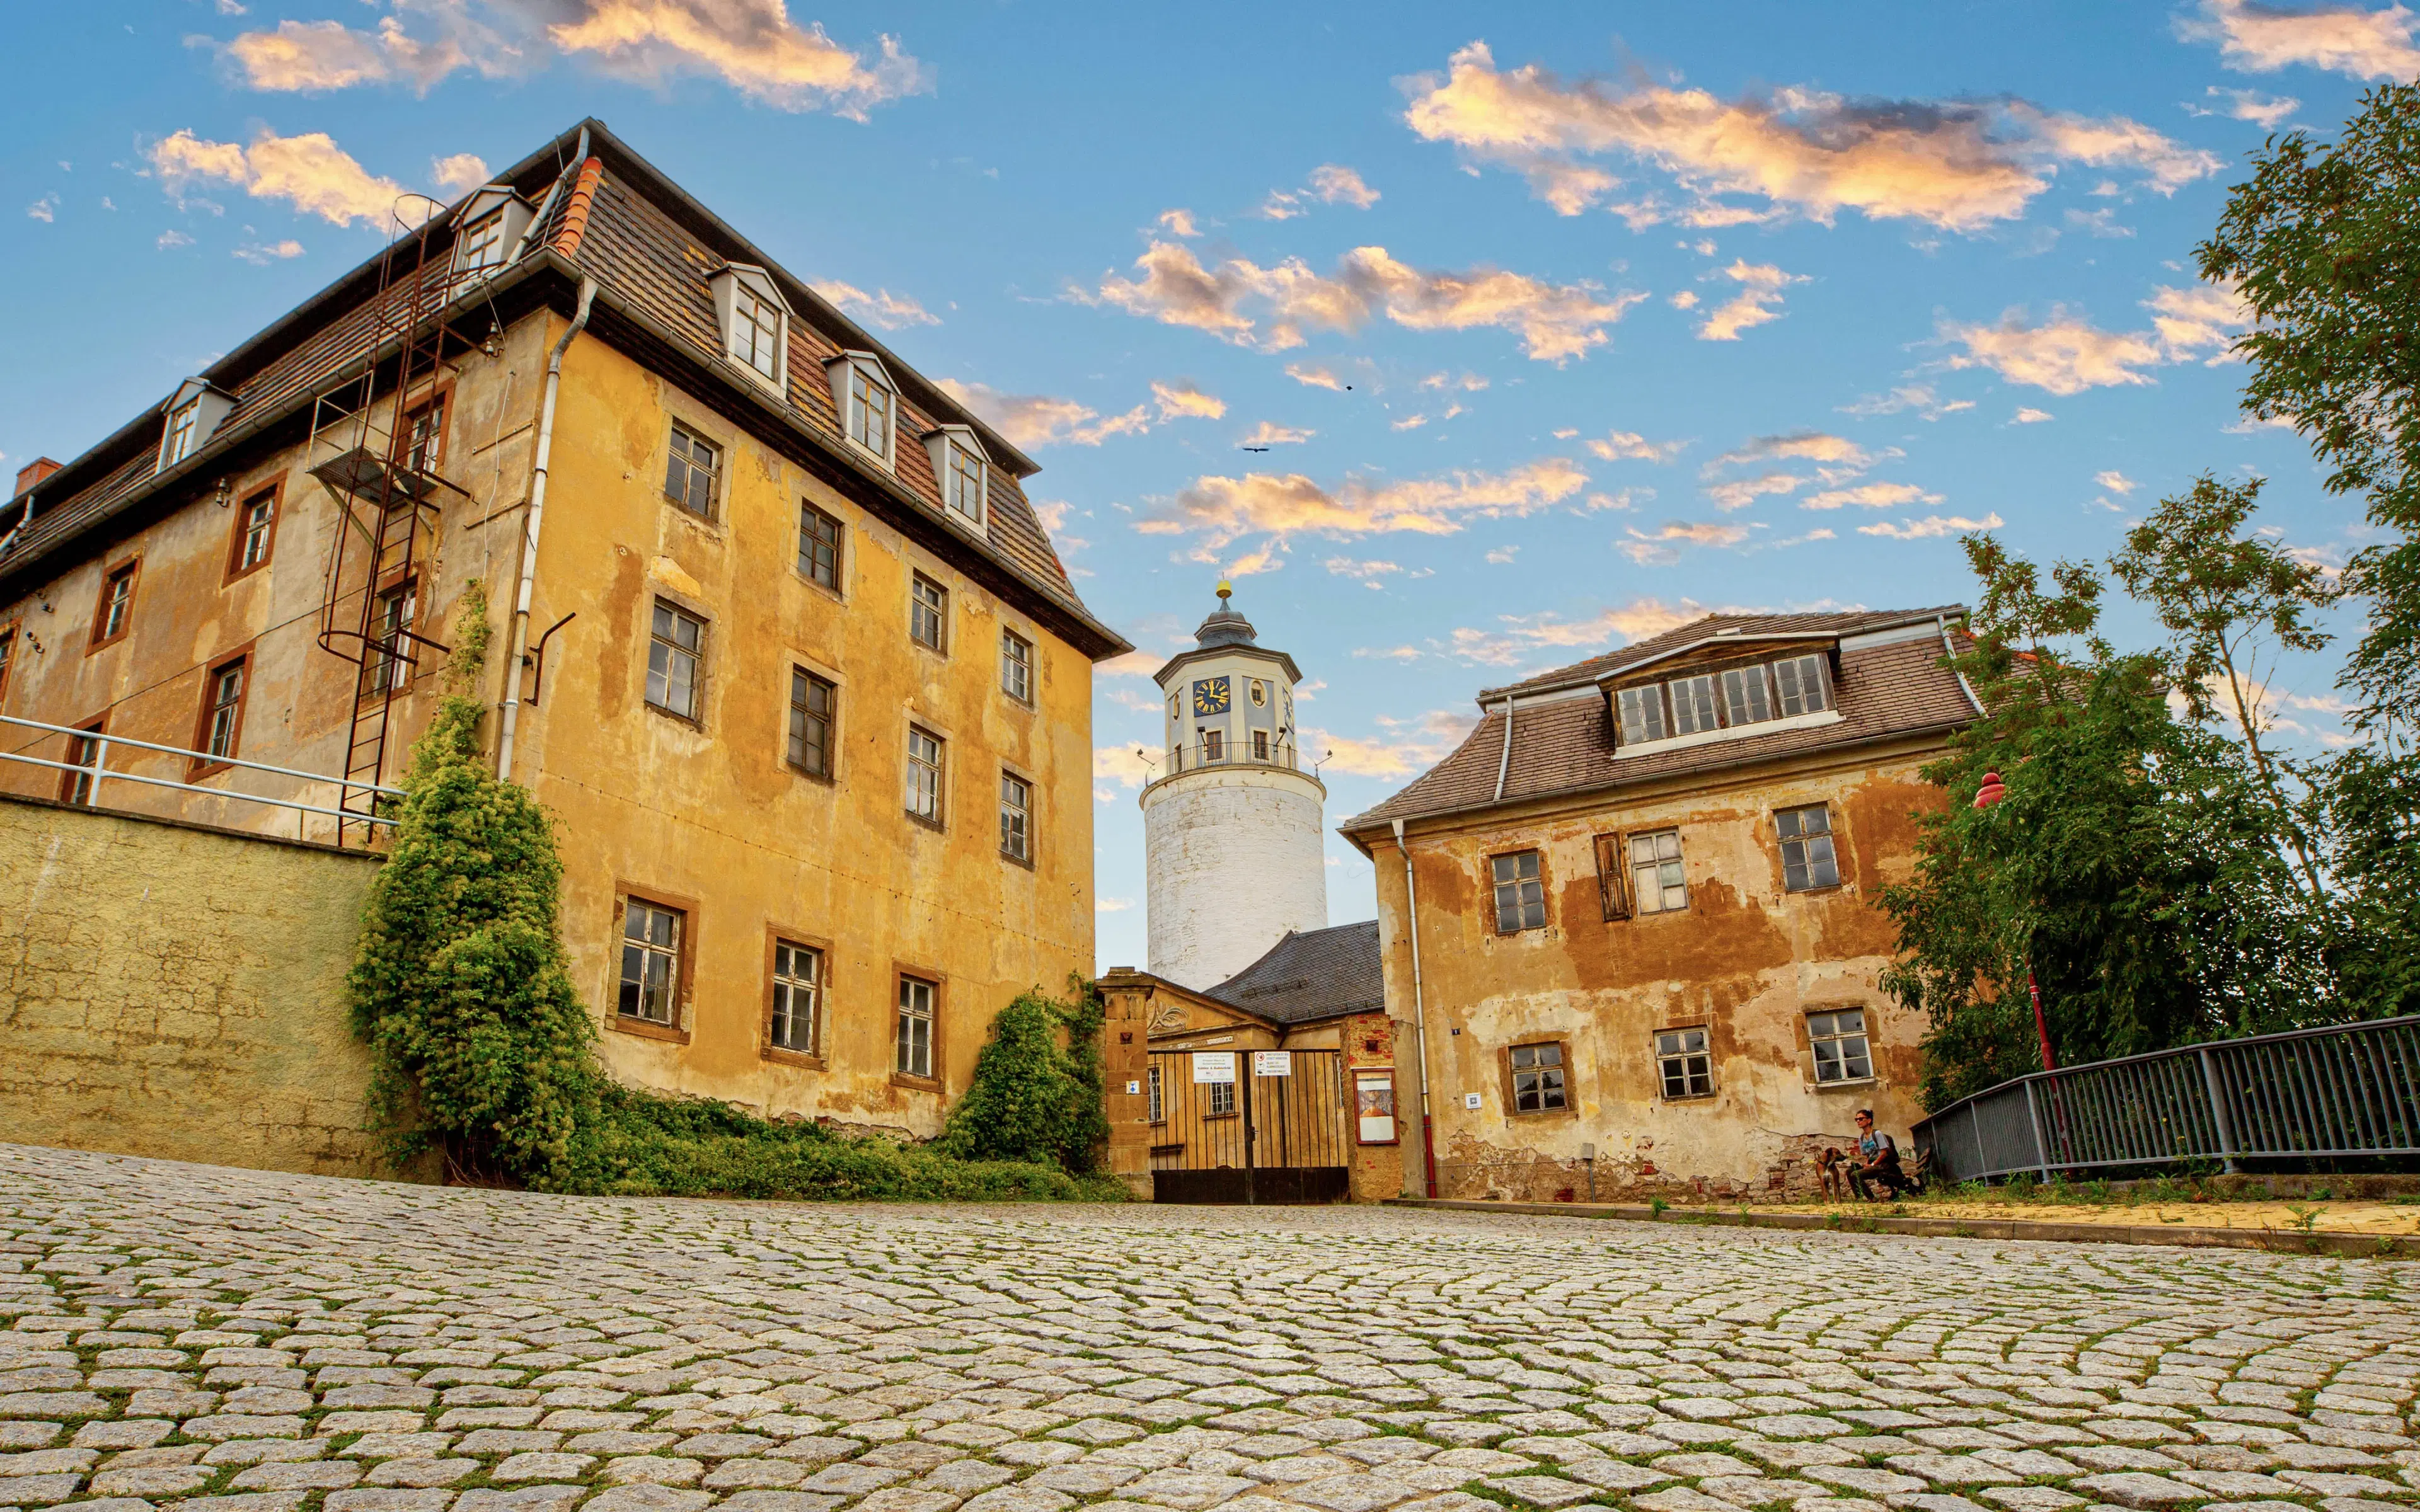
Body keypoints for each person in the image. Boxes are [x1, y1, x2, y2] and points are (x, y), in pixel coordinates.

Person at [1848, 1109, 1910, 1201]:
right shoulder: (1861, 1138)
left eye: (1861, 1119)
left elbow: (1884, 1154)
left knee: (1855, 1174)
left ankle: (1872, 1198)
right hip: (1873, 1164)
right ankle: (1860, 1197)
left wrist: (1872, 1165)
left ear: (1869, 1120)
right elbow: (1868, 1155)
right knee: (1849, 1171)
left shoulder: (1877, 1134)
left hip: (1883, 1164)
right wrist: (1867, 1164)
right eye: (1856, 1119)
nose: (1858, 1121)